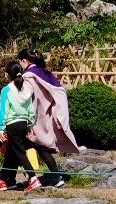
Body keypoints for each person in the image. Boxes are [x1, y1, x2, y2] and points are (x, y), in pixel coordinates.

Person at [20, 50, 77, 188]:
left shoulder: (28, 76)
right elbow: (60, 92)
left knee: (19, 146)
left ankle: (28, 176)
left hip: (33, 117)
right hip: (46, 115)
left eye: (20, 61)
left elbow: (25, 96)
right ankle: (55, 177)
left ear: (25, 61)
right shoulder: (47, 74)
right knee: (41, 147)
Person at [0, 61, 40, 192]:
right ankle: (5, 179)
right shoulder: (26, 90)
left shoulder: (6, 90)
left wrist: (1, 128)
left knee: (20, 153)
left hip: (12, 124)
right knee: (11, 153)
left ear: (7, 75)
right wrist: (30, 124)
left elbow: (4, 111)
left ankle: (33, 178)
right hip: (24, 123)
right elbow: (31, 109)